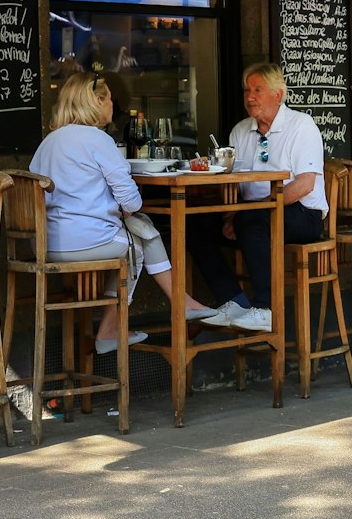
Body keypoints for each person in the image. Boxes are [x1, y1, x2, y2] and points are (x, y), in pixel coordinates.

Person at [30, 73, 217, 351]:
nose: (113, 105)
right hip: (84, 243)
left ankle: (174, 307)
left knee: (139, 231)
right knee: (139, 243)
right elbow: (131, 201)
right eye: (109, 99)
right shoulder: (98, 140)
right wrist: (127, 210)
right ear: (96, 101)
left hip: (44, 244)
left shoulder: (48, 143)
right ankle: (123, 325)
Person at [190, 63, 328, 331]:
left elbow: (305, 184)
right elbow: (230, 181)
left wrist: (254, 212)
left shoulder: (301, 125)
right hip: (252, 214)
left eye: (257, 90)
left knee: (252, 221)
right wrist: (230, 214)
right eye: (246, 90)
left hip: (302, 214)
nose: (249, 97)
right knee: (195, 225)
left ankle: (266, 308)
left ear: (278, 94)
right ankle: (235, 300)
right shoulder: (241, 131)